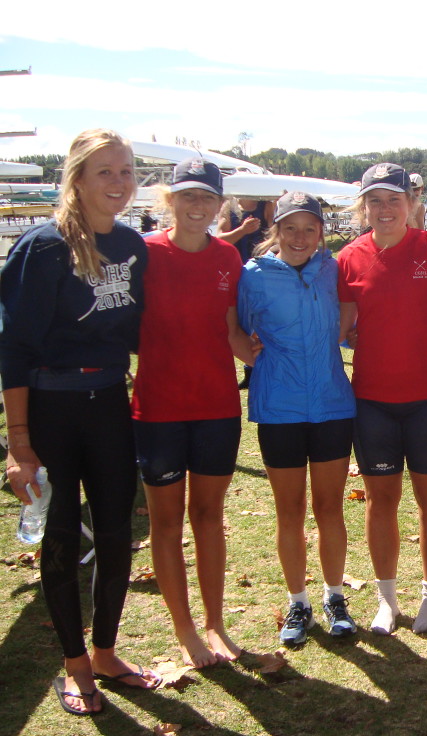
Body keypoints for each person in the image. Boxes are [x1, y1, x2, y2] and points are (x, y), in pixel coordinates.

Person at [0, 129, 160, 715]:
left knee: (117, 533)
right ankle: (73, 666)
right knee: (64, 537)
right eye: (105, 173)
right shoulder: (43, 248)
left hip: (109, 404)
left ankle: (106, 650)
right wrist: (19, 445)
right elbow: (13, 348)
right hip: (51, 408)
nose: (119, 183)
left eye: (126, 172)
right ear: (77, 178)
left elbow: (143, 331)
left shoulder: (132, 246)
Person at [132, 159, 256, 668]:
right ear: (170, 201)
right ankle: (185, 629)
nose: (197, 206)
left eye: (206, 197)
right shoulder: (141, 253)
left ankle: (214, 621)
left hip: (216, 407)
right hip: (158, 409)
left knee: (208, 516)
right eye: (187, 196)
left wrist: (275, 349)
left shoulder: (228, 257)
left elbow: (232, 333)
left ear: (219, 203)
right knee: (166, 523)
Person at [337, 163, 427, 636]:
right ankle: (387, 600)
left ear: (411, 203)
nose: (385, 209)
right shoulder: (349, 258)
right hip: (372, 400)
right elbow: (343, 325)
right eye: (375, 200)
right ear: (363, 207)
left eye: (394, 199)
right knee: (380, 500)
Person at [239, 191, 358, 645]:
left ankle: (334, 596)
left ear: (321, 233)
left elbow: (350, 325)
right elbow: (240, 329)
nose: (300, 237)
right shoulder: (253, 276)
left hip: (330, 404)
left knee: (329, 508)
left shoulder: (333, 271)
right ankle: (298, 602)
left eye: (310, 228)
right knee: (289, 511)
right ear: (276, 230)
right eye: (290, 227)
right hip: (279, 408)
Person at [217, 197, 273, 389]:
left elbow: (276, 236)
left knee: (262, 323)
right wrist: (242, 231)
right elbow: (218, 240)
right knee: (240, 325)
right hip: (237, 275)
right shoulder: (229, 207)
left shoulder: (266, 205)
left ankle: (257, 369)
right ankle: (250, 369)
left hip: (264, 275)